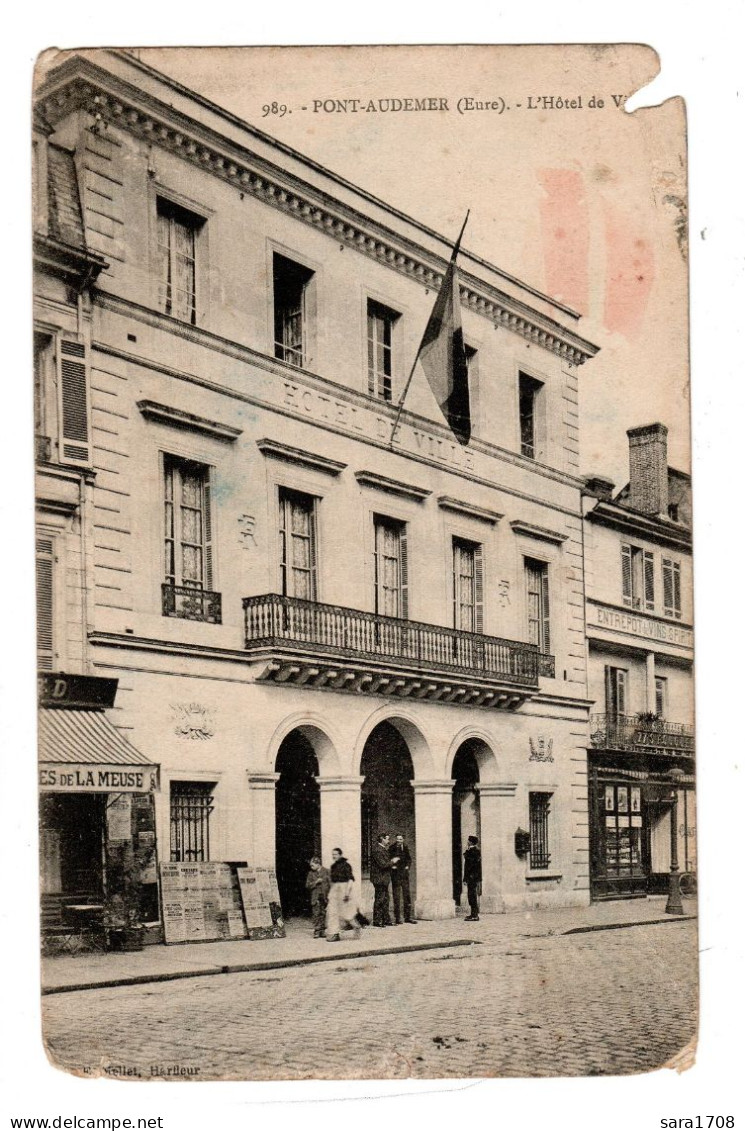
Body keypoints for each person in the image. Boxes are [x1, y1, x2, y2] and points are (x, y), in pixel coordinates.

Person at [325, 847, 363, 942]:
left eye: (336, 854)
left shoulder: (346, 865)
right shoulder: (333, 866)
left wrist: (347, 893)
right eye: (333, 854)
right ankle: (334, 934)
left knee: (347, 914)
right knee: (332, 912)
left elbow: (350, 879)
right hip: (335, 890)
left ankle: (357, 927)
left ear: (340, 855)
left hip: (345, 890)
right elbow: (332, 881)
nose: (334, 856)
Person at [389, 833, 416, 924]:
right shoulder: (392, 848)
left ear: (403, 840)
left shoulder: (405, 847)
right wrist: (393, 866)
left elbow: (409, 859)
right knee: (396, 897)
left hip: (404, 875)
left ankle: (407, 917)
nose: (399, 841)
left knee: (406, 896)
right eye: (397, 839)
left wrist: (408, 866)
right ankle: (397, 918)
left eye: (400, 839)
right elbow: (389, 860)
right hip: (396, 875)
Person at [370, 833, 395, 927]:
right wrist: (393, 861)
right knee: (380, 900)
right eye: (387, 839)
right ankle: (377, 921)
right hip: (379, 878)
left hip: (383, 878)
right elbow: (383, 864)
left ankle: (385, 920)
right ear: (382, 839)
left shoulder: (382, 849)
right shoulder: (377, 850)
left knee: (385, 899)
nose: (388, 841)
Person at [305, 855, 330, 938]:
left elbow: (330, 884)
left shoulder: (327, 871)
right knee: (316, 913)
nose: (311, 867)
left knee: (323, 913)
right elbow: (307, 885)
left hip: (324, 896)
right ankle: (316, 930)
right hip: (315, 897)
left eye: (313, 865)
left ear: (318, 864)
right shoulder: (311, 873)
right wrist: (315, 882)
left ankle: (322, 931)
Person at [463, 834, 482, 921]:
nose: (467, 842)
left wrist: (466, 878)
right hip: (472, 877)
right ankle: (473, 914)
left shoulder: (474, 851)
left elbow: (469, 866)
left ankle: (474, 915)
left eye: (468, 841)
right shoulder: (473, 851)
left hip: (472, 877)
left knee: (472, 896)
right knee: (471, 895)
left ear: (470, 842)